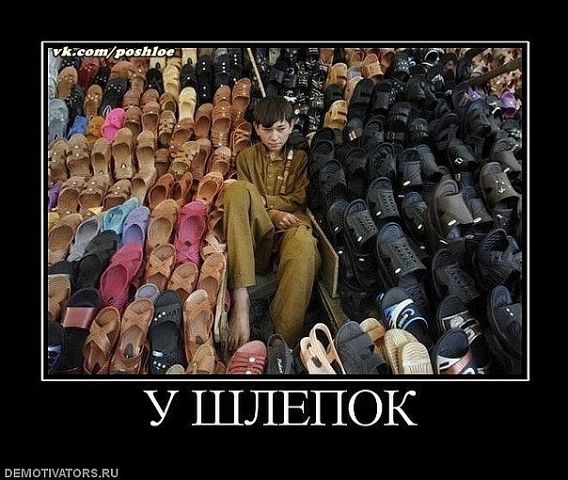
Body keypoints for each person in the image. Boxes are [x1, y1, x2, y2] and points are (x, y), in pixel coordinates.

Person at [223, 96, 321, 353]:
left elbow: (298, 198)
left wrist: (271, 206)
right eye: (267, 129)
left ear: (291, 127)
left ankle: (282, 343)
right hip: (259, 233)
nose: (274, 137)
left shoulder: (299, 159)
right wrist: (272, 212)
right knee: (237, 190)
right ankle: (241, 301)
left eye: (281, 128)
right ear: (256, 128)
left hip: (290, 228)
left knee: (303, 243)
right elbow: (249, 201)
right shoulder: (246, 158)